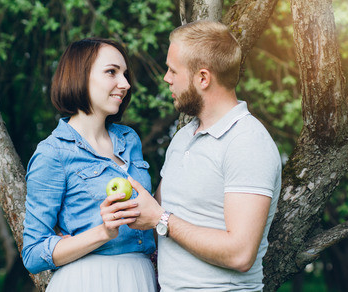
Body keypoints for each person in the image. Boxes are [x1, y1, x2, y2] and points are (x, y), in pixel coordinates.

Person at [127, 20, 282, 291]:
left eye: (173, 70)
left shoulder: (247, 142)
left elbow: (240, 254)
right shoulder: (184, 137)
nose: (166, 78)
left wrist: (161, 220)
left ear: (203, 78)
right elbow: (154, 213)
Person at [21, 38, 157, 292]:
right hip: (89, 281)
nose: (125, 84)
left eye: (125, 74)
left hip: (141, 278)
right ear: (80, 76)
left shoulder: (129, 140)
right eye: (111, 72)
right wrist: (103, 232)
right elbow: (33, 253)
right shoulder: (53, 153)